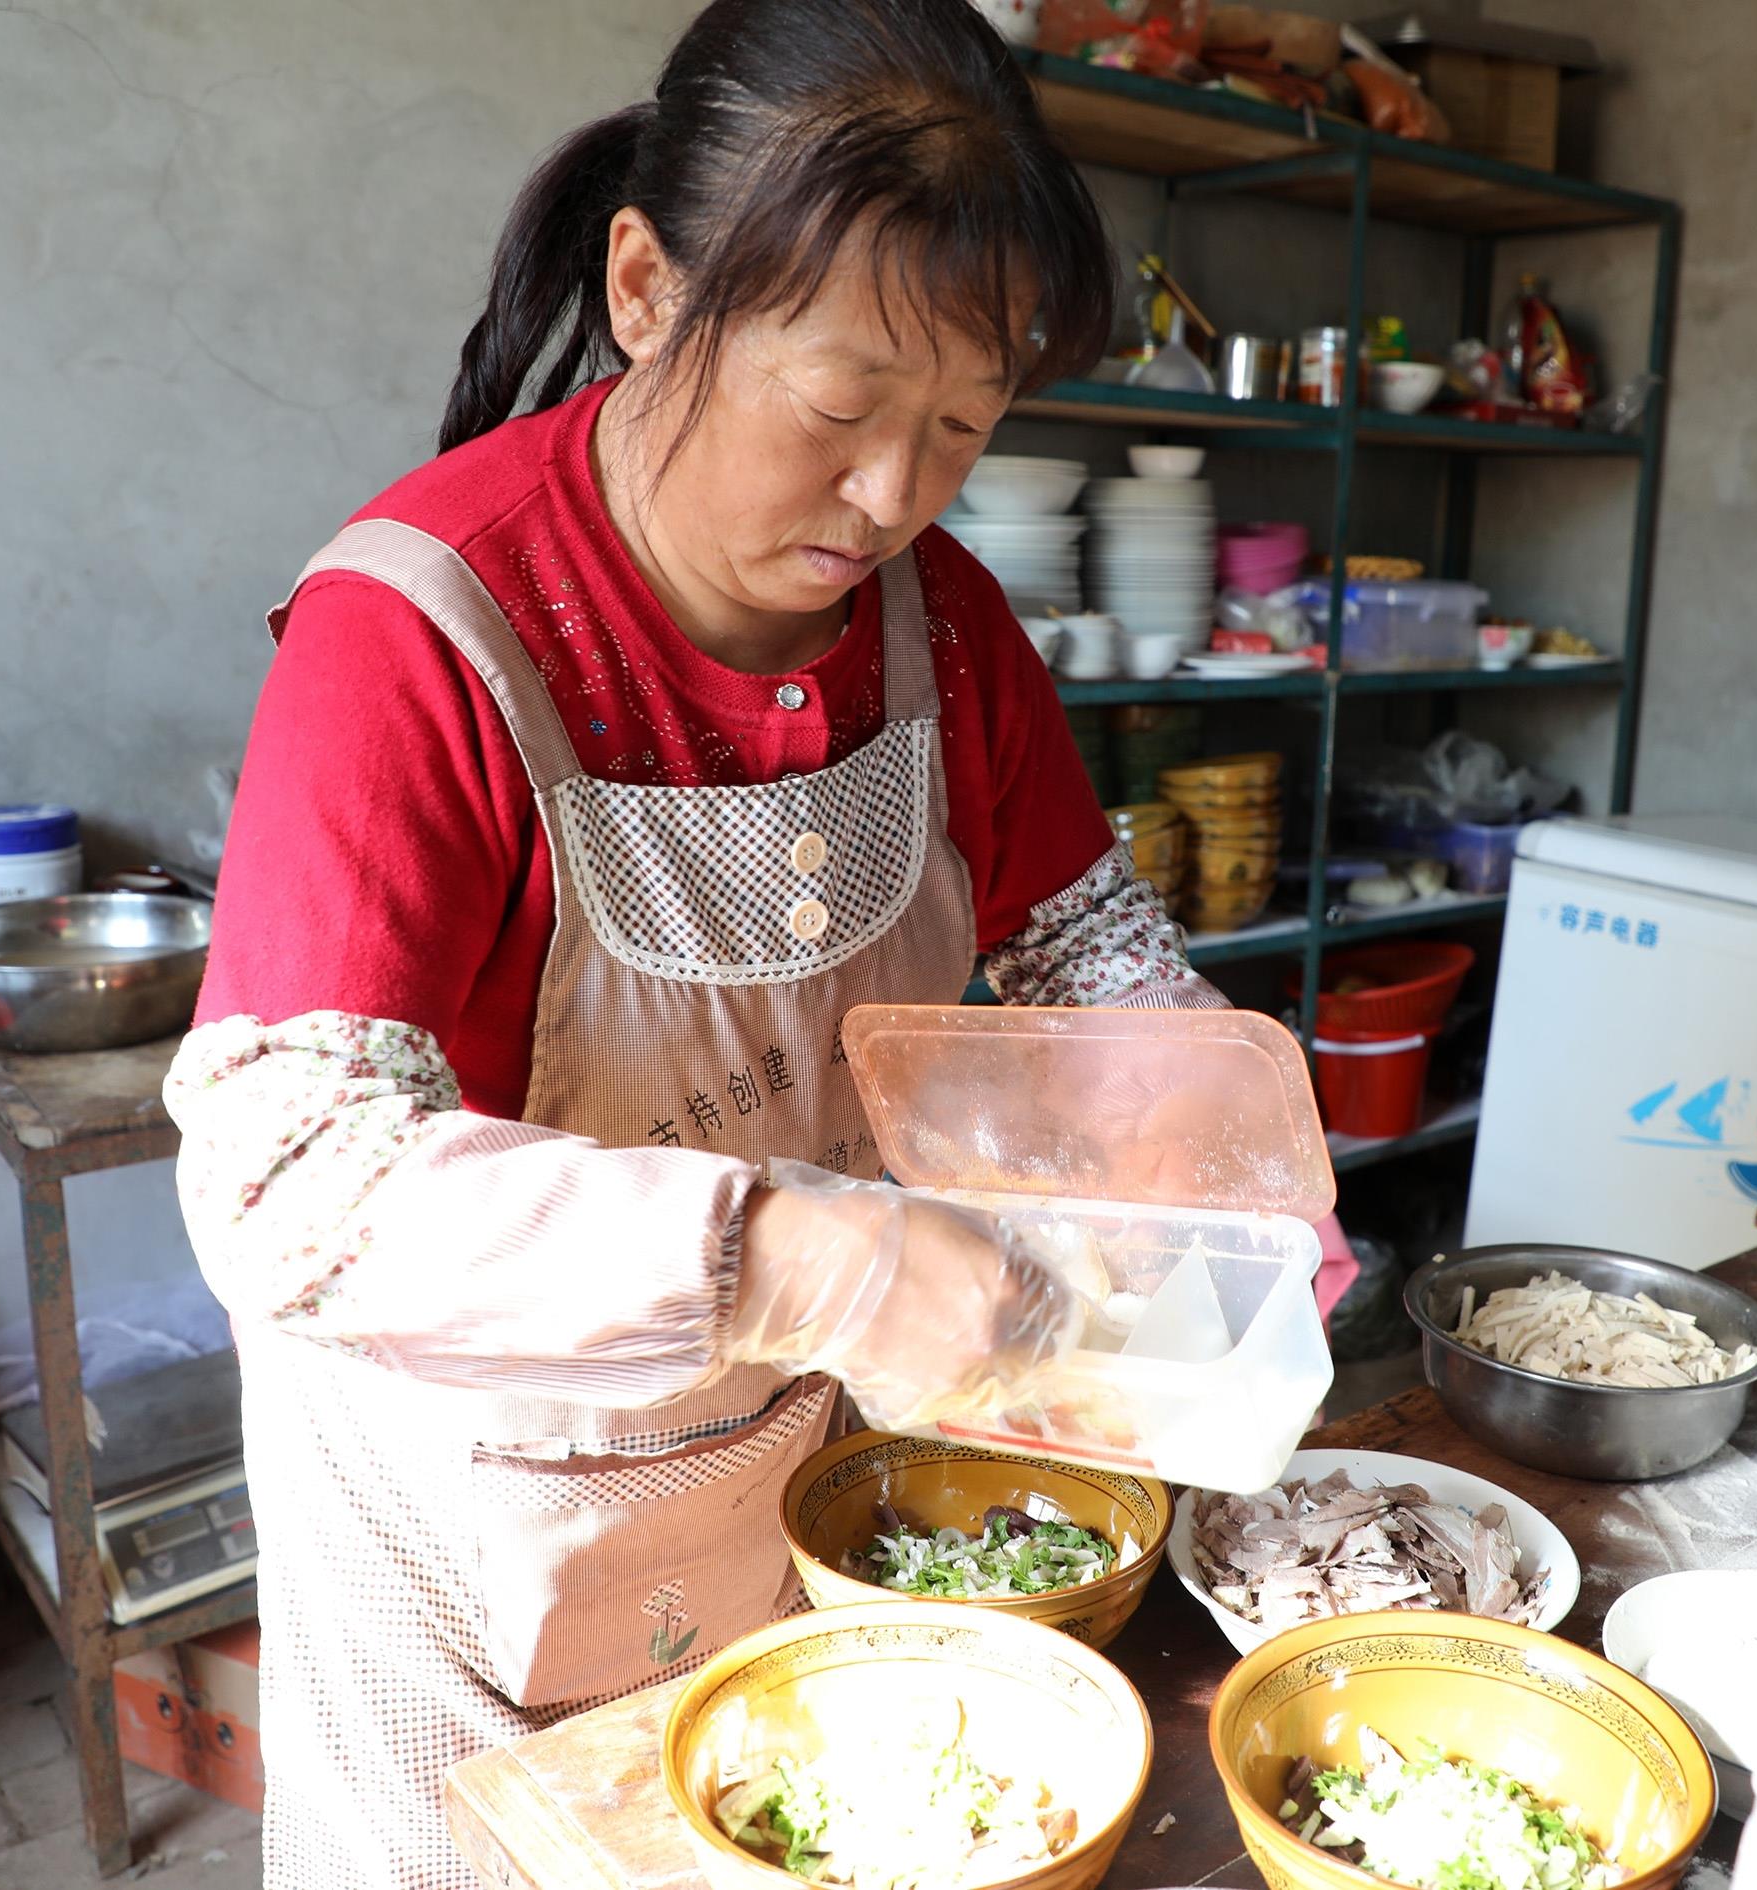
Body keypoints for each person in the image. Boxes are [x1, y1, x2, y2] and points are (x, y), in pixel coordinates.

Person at [162, 2, 1227, 1884]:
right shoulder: (426, 629)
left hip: (806, 1490)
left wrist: (1220, 1134)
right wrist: (796, 1249)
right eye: (840, 407)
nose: (896, 494)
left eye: (964, 430)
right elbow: (292, 1182)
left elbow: (1088, 940)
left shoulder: (945, 622)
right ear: (650, 286)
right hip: (478, 1543)